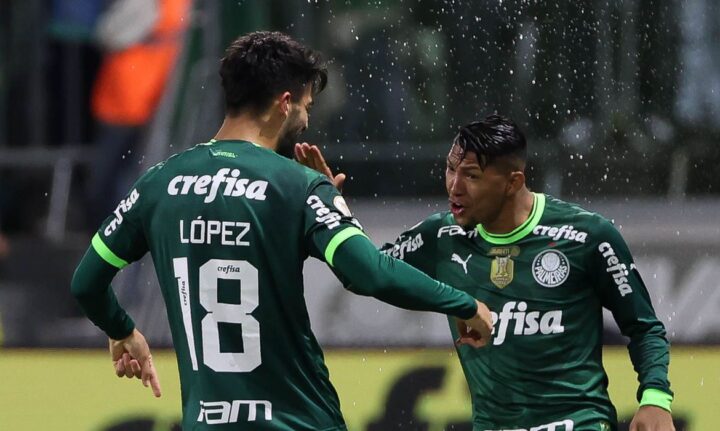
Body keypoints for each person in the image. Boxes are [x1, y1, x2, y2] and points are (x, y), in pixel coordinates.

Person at [71, 31, 493, 431]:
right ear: (284, 102)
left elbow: (87, 282)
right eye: (307, 106)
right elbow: (369, 273)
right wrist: (462, 303)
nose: (306, 120)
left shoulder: (160, 182)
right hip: (297, 420)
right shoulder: (298, 186)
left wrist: (122, 329)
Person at [295, 114, 674, 431]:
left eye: (472, 176)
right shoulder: (439, 236)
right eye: (450, 169)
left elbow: (644, 327)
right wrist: (332, 209)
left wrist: (655, 397)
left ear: (513, 182)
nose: (454, 187)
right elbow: (366, 272)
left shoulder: (588, 236)